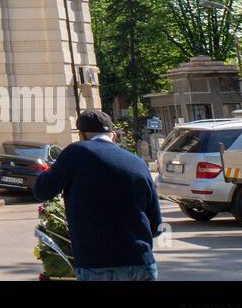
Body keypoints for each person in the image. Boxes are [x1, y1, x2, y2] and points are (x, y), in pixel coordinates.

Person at [33, 109, 163, 281]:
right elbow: (156, 224)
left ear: (82, 135)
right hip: (140, 261)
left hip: (95, 263)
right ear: (113, 135)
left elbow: (42, 190)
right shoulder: (138, 163)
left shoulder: (75, 153)